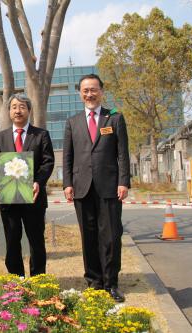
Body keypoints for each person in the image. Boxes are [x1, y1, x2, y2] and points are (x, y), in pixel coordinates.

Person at [62, 73, 130, 302]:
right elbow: (68, 157)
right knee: (88, 237)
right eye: (85, 90)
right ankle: (94, 282)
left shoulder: (115, 118)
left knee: (110, 237)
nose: (89, 94)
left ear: (102, 91)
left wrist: (123, 181)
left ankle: (111, 283)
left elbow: (122, 154)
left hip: (109, 187)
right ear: (80, 94)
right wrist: (67, 183)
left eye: (93, 89)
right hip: (81, 188)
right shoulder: (73, 122)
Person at [0, 93, 54, 277]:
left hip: (33, 198)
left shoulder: (41, 135)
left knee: (36, 241)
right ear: (9, 111)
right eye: (14, 107)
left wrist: (38, 182)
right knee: (12, 240)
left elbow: (48, 162)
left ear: (29, 110)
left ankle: (38, 279)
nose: (18, 110)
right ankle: (17, 279)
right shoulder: (1, 137)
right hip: (8, 199)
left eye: (22, 107)